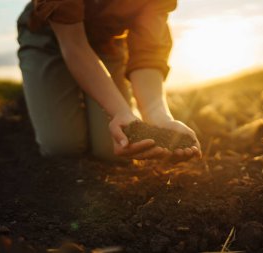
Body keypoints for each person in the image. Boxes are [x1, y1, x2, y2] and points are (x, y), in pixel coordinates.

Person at [17, 0, 201, 162]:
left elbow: (147, 54)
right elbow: (74, 45)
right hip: (48, 38)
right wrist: (119, 110)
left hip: (106, 43)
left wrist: (158, 115)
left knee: (116, 150)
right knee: (61, 146)